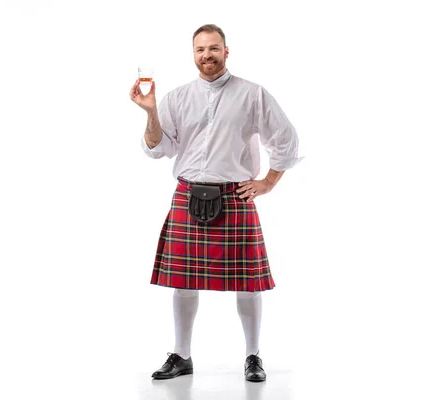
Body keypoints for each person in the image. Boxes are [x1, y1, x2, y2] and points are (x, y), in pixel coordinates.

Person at [129, 24, 303, 382]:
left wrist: (269, 181)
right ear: (193, 55)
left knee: (248, 282)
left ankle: (253, 356)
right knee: (182, 281)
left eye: (213, 48)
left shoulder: (253, 94)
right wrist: (150, 112)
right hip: (187, 193)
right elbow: (158, 148)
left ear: (226, 51)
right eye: (199, 50)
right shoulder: (176, 98)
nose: (206, 55)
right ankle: (182, 356)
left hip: (234, 197)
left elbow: (286, 140)